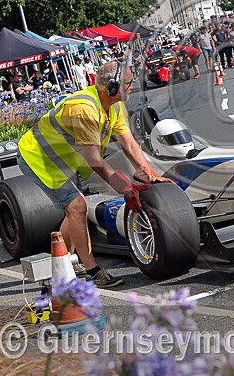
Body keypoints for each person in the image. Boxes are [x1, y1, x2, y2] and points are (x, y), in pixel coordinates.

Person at [17, 61, 170, 288]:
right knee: (77, 207)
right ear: (111, 87)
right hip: (39, 159)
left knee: (73, 211)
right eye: (127, 84)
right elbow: (95, 160)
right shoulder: (85, 110)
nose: (131, 87)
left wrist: (148, 172)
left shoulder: (115, 106)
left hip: (63, 162)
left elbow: (128, 143)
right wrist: (125, 188)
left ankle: (60, 266)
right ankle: (92, 272)